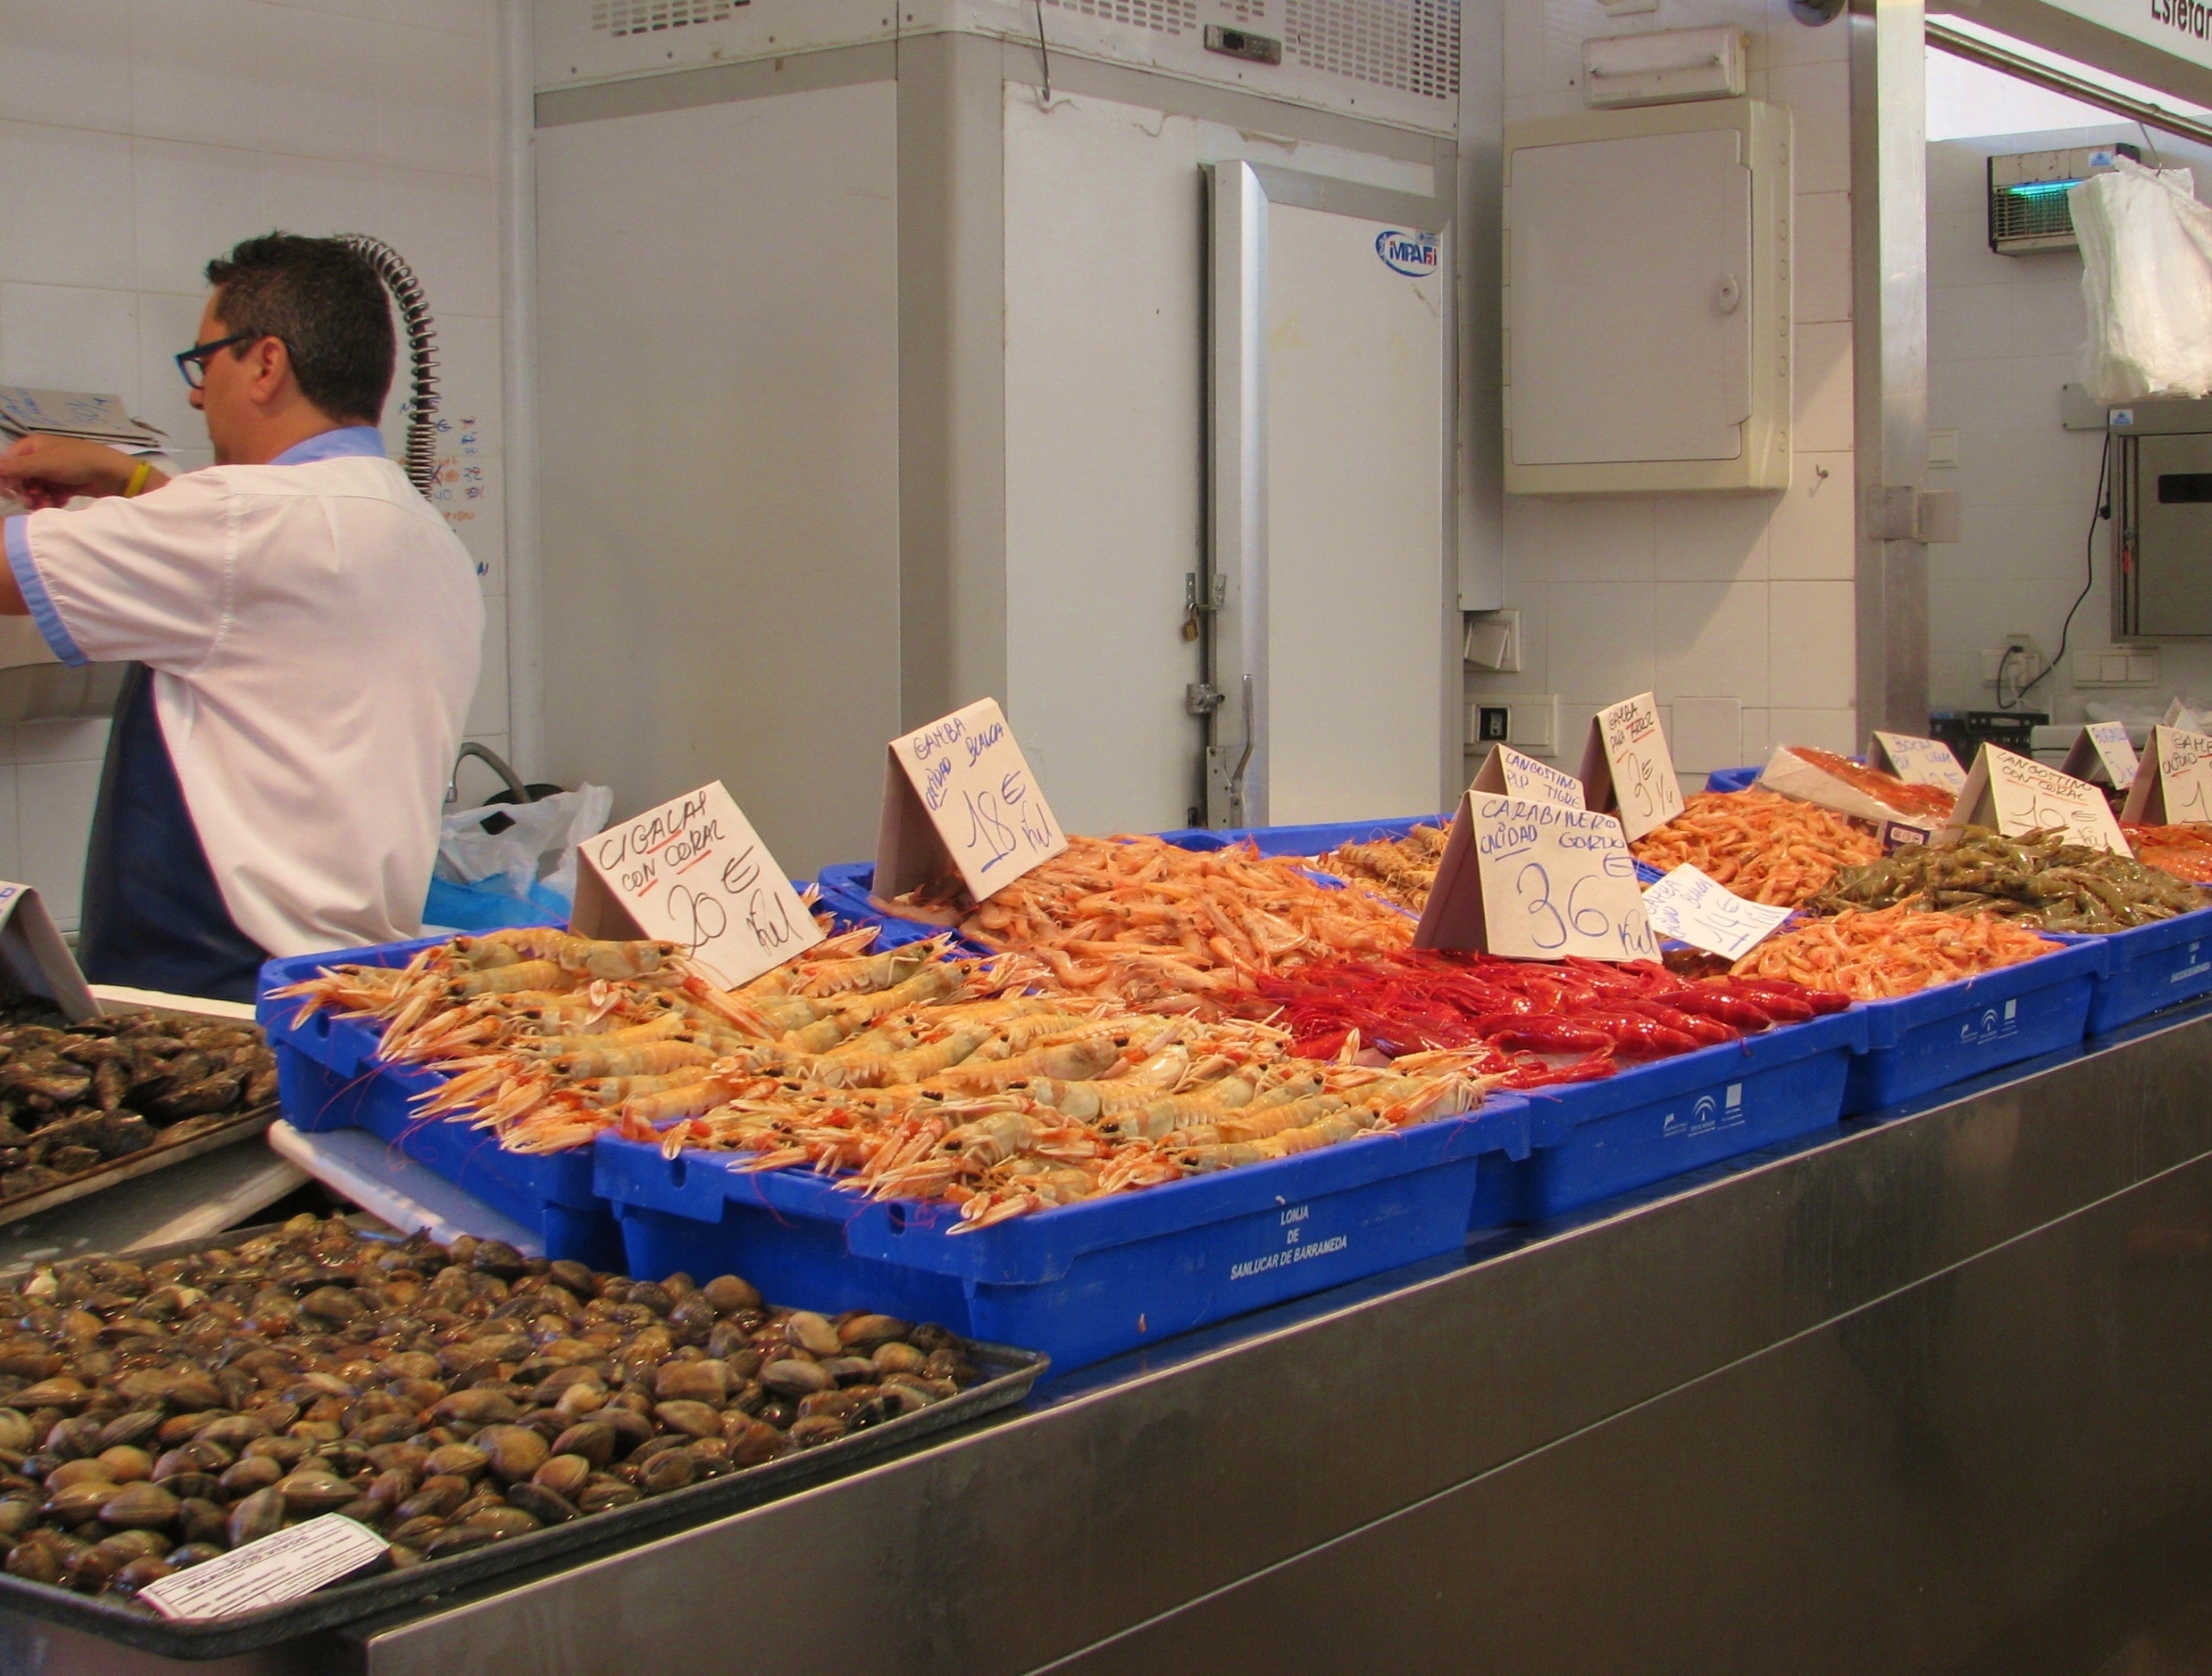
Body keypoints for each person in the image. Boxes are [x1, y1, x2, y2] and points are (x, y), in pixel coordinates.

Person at [0, 233, 483, 1001]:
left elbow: (227, 548)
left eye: (205, 362)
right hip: (345, 988)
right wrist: (126, 478)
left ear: (265, 363)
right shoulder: (422, 533)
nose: (197, 395)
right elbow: (247, 576)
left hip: (215, 991)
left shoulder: (241, 522)